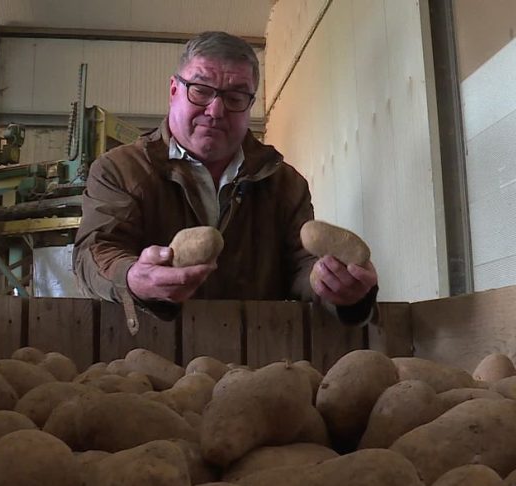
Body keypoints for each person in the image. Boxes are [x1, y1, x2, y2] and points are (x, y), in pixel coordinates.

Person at [73, 31, 378, 332]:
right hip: (149, 352)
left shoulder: (285, 183)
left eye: (235, 97)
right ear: (173, 90)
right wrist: (131, 277)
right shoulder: (119, 169)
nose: (215, 111)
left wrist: (336, 286)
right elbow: (95, 251)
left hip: (258, 358)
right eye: (201, 90)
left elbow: (302, 264)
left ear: (250, 105)